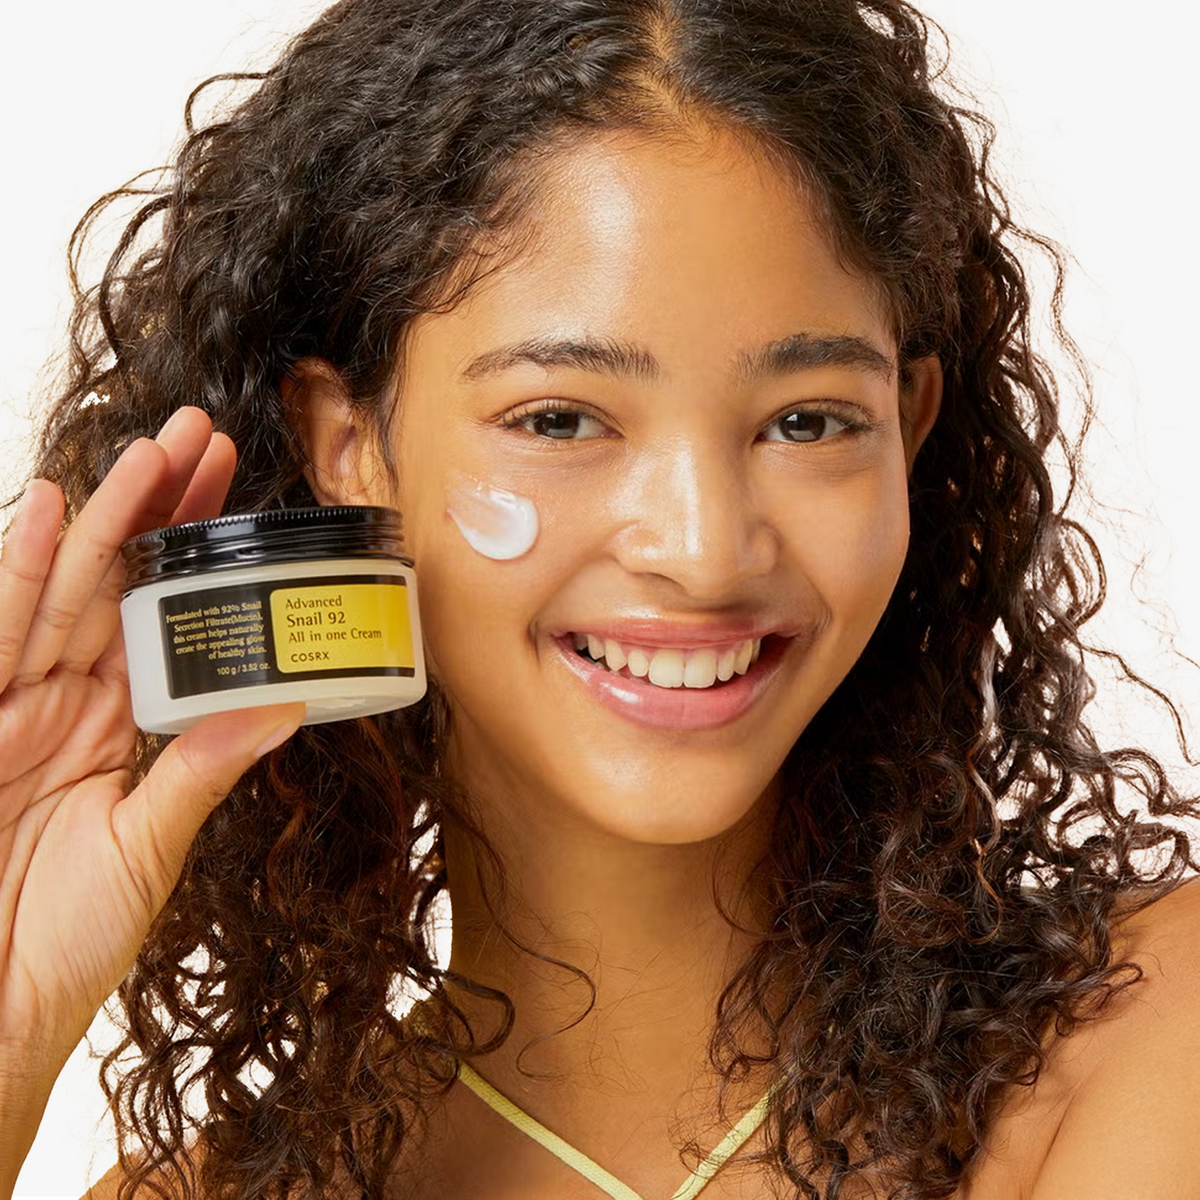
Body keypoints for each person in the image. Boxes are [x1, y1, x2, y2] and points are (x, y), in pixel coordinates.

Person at [1, 0, 1198, 1197]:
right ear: (350, 447)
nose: (704, 552)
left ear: (908, 427)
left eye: (807, 422)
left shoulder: (1149, 1033)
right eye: (561, 420)